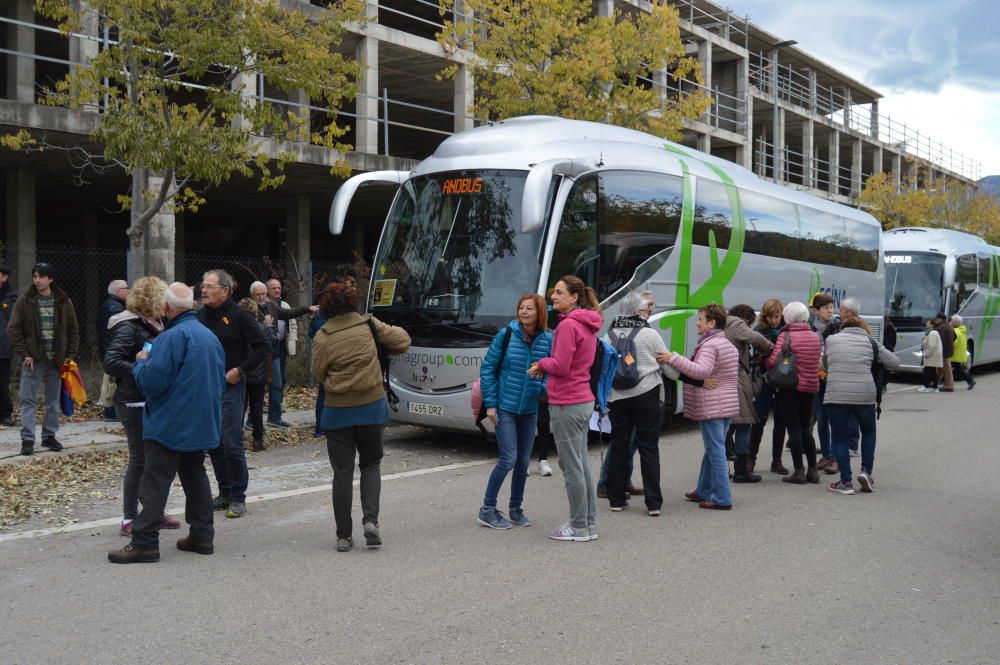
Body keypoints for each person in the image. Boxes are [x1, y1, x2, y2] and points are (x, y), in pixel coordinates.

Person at [108, 283, 226, 563]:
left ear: (167, 308)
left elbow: (151, 382)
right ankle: (202, 536)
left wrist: (140, 362)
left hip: (171, 421)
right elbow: (219, 380)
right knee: (195, 478)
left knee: (155, 481)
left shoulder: (171, 338)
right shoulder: (209, 336)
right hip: (201, 420)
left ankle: (145, 541)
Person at [312, 282, 410, 552]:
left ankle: (343, 536)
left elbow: (318, 373)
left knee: (341, 473)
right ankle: (371, 522)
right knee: (371, 465)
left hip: (337, 412)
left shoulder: (323, 335)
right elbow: (403, 340)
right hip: (371, 407)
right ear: (353, 302)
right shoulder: (369, 325)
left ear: (327, 307)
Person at [103, 276, 182, 536]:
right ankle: (129, 518)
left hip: (148, 398)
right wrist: (140, 368)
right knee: (139, 460)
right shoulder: (129, 326)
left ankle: (152, 513)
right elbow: (112, 361)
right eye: (163, 298)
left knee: (152, 460)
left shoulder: (154, 323)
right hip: (133, 400)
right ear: (152, 300)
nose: (167, 303)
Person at [528, 276, 603, 542]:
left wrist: (541, 363)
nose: (553, 297)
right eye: (553, 292)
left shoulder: (568, 326)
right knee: (582, 464)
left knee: (572, 467)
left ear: (574, 297)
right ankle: (588, 523)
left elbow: (560, 365)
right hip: (583, 400)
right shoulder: (588, 323)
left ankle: (579, 526)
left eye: (559, 292)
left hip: (567, 402)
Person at [197, 269, 269, 519]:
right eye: (202, 285)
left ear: (225, 290)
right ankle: (225, 491)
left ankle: (238, 496)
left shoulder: (239, 316)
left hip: (231, 386)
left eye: (209, 286)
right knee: (213, 442)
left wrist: (241, 370)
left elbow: (263, 346)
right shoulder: (200, 316)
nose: (203, 290)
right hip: (206, 388)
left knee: (231, 440)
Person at [477, 294, 553, 529]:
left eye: (529, 308)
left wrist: (542, 385)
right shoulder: (506, 334)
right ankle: (487, 509)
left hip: (530, 409)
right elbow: (488, 368)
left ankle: (515, 509)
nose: (524, 312)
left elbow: (550, 372)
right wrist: (490, 404)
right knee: (508, 458)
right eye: (521, 308)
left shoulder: (547, 339)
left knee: (522, 462)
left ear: (539, 312)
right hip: (505, 407)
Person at [660, 304, 739, 509]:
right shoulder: (726, 344)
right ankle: (703, 490)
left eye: (701, 319)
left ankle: (723, 498)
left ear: (712, 323)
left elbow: (702, 371)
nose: (697, 322)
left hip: (712, 404)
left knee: (716, 452)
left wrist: (673, 358)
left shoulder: (710, 345)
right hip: (726, 404)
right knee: (714, 449)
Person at [605, 291, 674, 515]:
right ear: (637, 312)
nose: (651, 311)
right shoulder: (649, 334)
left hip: (618, 397)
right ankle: (653, 503)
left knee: (619, 446)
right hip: (646, 393)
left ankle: (616, 499)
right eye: (648, 308)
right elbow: (669, 370)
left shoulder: (609, 334)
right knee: (648, 447)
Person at [7, 263, 79, 456]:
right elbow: (13, 329)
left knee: (52, 401)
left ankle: (49, 436)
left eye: (41, 276)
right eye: (35, 276)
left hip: (55, 360)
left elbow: (73, 330)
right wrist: (25, 354)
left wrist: (69, 356)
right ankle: (28, 439)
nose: (37, 280)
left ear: (50, 279)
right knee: (28, 400)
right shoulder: (25, 301)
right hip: (33, 359)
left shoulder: (63, 301)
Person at [823, 317, 900, 495]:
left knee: (839, 437)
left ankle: (846, 482)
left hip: (837, 394)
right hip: (865, 395)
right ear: (864, 328)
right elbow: (894, 362)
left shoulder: (831, 340)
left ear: (842, 328)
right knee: (868, 431)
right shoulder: (871, 342)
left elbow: (826, 365)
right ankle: (866, 472)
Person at [765, 301, 822, 485]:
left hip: (790, 387)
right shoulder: (815, 336)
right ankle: (813, 470)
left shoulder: (786, 335)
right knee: (806, 426)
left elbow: (774, 361)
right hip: (810, 387)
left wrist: (765, 364)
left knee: (794, 428)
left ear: (788, 317)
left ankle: (799, 471)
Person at [724, 304, 773, 484]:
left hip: (723, 380)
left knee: (724, 426)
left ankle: (722, 467)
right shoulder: (737, 324)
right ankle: (741, 471)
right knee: (744, 424)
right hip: (736, 380)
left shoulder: (722, 324)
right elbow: (755, 337)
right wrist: (770, 347)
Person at [263, 278, 317, 428]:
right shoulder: (261, 306)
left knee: (279, 381)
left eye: (278, 288)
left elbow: (290, 316)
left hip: (279, 347)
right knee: (263, 383)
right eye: (273, 288)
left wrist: (307, 308)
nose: (277, 290)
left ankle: (275, 413)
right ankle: (258, 417)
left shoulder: (279, 306)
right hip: (263, 350)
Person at [749, 299, 788, 474]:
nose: (774, 320)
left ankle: (777, 461)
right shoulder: (759, 331)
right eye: (771, 317)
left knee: (781, 421)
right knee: (759, 420)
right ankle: (751, 459)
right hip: (763, 381)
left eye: (777, 316)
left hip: (782, 380)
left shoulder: (786, 330)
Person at [237, 296, 276, 452]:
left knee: (239, 408)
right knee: (256, 408)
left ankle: (237, 438)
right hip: (258, 374)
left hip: (240, 373)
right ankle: (258, 440)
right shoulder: (260, 328)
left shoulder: (236, 329)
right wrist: (269, 326)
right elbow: (272, 343)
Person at [97, 279, 129, 421]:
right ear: (119, 291)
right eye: (126, 288)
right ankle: (111, 412)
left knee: (111, 380)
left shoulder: (108, 305)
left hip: (108, 349)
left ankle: (111, 411)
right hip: (113, 350)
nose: (129, 291)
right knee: (113, 382)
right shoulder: (116, 309)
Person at [0, 265, 18, 427]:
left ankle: (5, 414)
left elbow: (13, 323)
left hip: (3, 347)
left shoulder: (11, 298)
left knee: (3, 382)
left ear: (4, 277)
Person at [949, 315, 975, 390]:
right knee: (958, 370)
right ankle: (970, 381)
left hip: (955, 355)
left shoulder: (955, 331)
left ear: (954, 322)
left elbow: (954, 343)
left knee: (954, 369)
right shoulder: (962, 330)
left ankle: (970, 381)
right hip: (960, 354)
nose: (950, 322)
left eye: (951, 321)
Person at [918, 318, 942, 393]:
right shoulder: (932, 332)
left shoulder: (932, 333)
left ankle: (926, 387)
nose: (926, 324)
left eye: (928, 323)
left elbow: (932, 345)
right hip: (934, 355)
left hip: (932, 355)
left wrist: (926, 354)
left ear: (932, 325)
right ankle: (935, 387)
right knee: (933, 371)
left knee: (927, 371)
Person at [934, 313, 956, 392]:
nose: (935, 320)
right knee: (942, 368)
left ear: (941, 319)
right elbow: (955, 336)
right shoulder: (949, 326)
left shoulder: (941, 327)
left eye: (937, 319)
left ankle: (949, 386)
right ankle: (935, 383)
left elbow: (940, 341)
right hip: (948, 350)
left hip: (943, 351)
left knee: (946, 369)